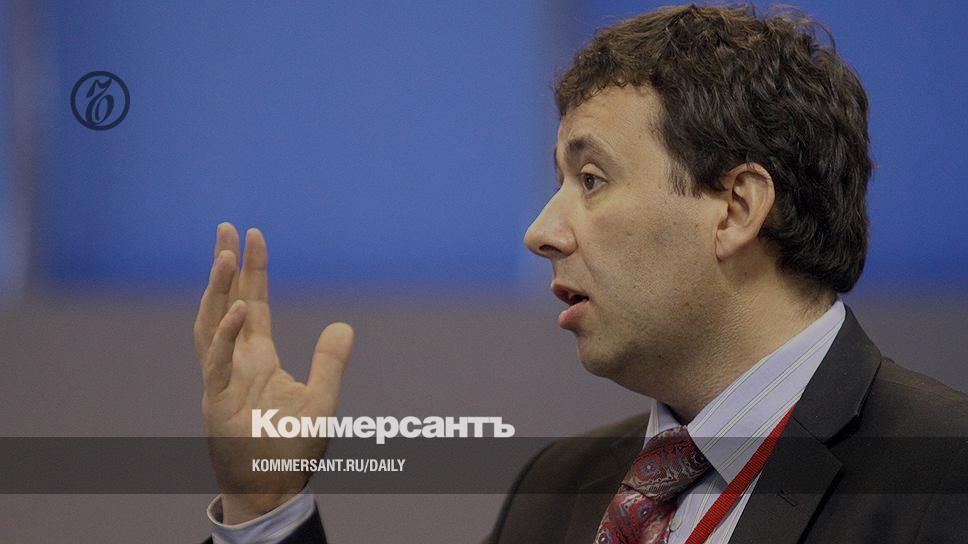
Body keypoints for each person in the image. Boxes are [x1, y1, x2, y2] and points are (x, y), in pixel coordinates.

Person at [194, 5, 968, 543]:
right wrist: (266, 508)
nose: (541, 232)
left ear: (735, 207)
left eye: (591, 180)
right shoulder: (558, 489)